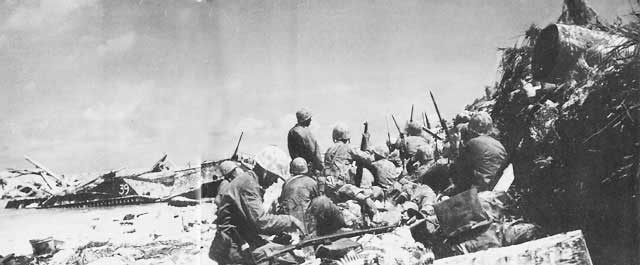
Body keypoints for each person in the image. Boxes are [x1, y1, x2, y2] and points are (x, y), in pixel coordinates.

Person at [209, 146, 306, 265]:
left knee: (285, 255)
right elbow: (260, 222)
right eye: (274, 176)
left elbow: (251, 222)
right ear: (265, 171)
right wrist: (289, 221)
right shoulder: (248, 184)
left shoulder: (250, 181)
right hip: (232, 246)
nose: (275, 181)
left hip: (239, 239)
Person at [450, 112, 508, 193]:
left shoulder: (472, 143)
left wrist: (455, 147)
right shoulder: (500, 145)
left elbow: (459, 169)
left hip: (479, 192)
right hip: (498, 189)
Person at [277, 158, 319, 234]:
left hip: (288, 219)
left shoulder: (287, 182)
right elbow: (318, 201)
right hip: (304, 221)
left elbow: (281, 199)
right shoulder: (311, 182)